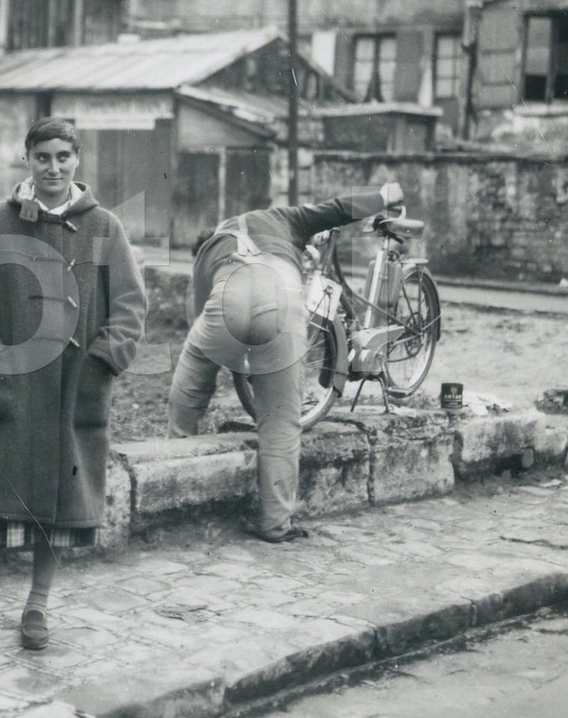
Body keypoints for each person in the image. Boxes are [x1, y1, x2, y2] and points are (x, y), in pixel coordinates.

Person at [0, 117, 148, 651]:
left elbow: (131, 307)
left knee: (57, 505)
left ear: (78, 161)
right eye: (42, 157)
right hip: (11, 392)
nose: (53, 168)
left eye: (63, 157)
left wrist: (99, 365)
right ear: (27, 161)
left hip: (73, 393)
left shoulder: (105, 228)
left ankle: (37, 606)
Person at [168, 184, 402, 543]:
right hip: (285, 296)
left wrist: (232, 359)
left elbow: (201, 323)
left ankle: (170, 489)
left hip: (228, 296)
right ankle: (275, 523)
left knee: (188, 388)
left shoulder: (207, 255)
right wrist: (384, 196)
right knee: (280, 420)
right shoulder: (277, 217)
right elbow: (339, 207)